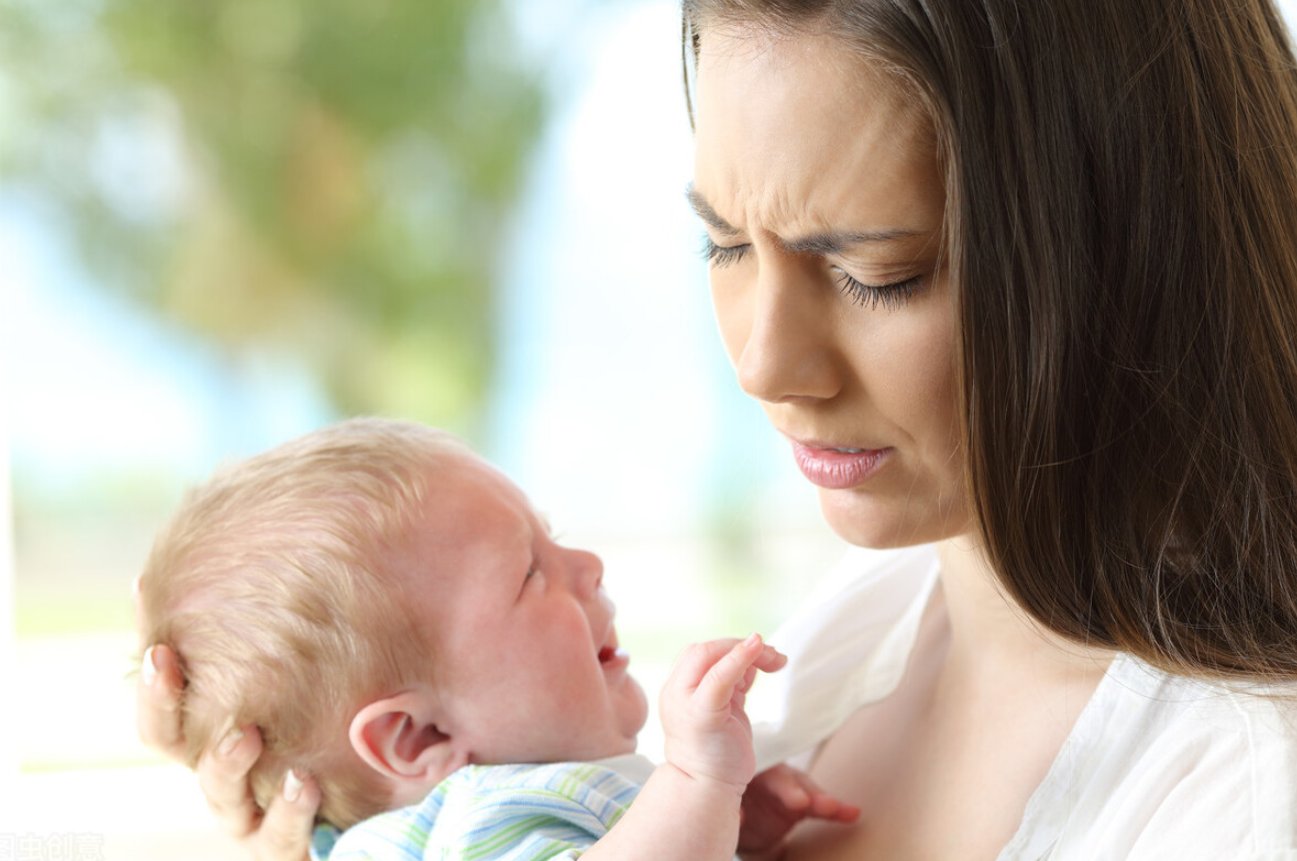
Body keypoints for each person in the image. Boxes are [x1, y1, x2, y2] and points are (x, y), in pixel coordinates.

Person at [138, 0, 1297, 857]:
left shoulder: (1244, 788)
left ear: (1130, 257)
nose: (761, 364)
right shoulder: (860, 631)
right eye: (726, 247)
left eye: (877, 271)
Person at [135, 418, 856, 860]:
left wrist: (723, 824)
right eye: (528, 573)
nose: (587, 566)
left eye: (557, 539)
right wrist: (698, 783)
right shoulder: (480, 820)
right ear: (417, 737)